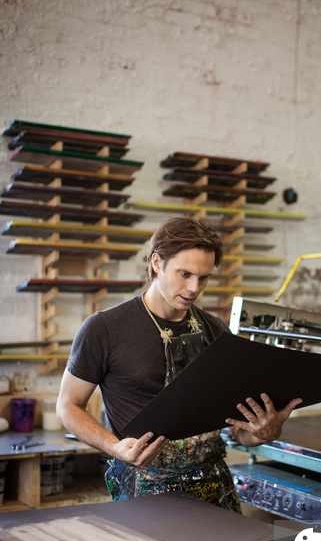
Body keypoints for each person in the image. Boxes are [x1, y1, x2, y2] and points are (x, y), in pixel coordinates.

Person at [57, 217, 302, 512]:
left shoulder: (216, 331)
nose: (193, 288)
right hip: (144, 484)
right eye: (184, 274)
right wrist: (113, 447)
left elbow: (238, 427)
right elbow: (68, 405)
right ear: (157, 262)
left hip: (212, 481)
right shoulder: (104, 328)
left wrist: (262, 433)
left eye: (204, 277)